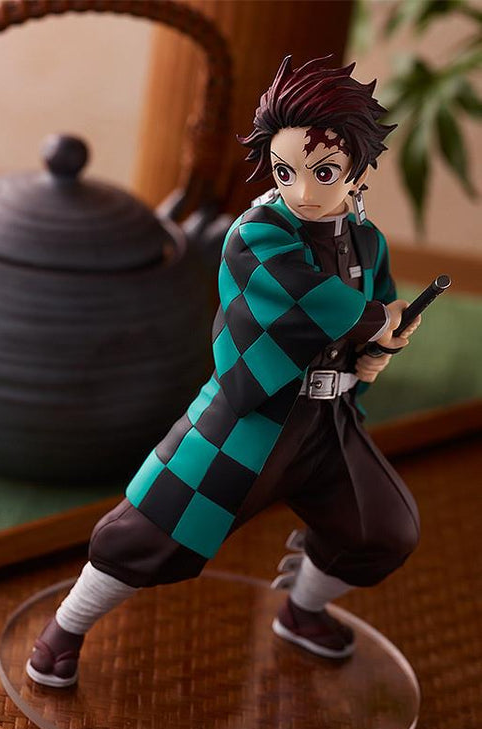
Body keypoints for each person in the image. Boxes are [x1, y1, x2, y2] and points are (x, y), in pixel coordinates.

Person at [27, 55, 421, 687]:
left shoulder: (366, 238)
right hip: (254, 417)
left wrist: (388, 339)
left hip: (330, 421)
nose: (303, 191)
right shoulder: (257, 233)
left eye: (324, 172)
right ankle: (63, 631)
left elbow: (384, 304)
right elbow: (300, 298)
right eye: (286, 171)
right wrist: (376, 320)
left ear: (359, 168)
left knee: (381, 528)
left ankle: (302, 610)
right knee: (158, 526)